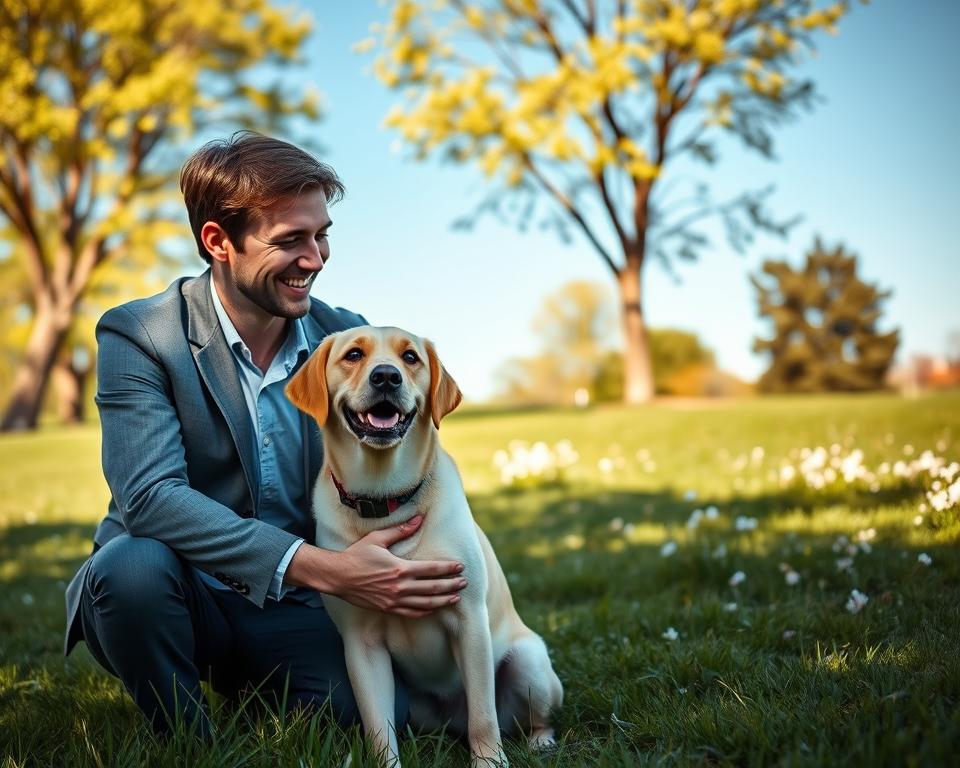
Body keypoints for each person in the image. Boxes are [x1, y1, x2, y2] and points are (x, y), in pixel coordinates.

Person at [63, 132, 467, 736]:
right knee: (131, 571)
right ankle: (185, 739)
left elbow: (401, 459)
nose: (316, 258)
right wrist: (322, 567)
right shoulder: (140, 335)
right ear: (218, 242)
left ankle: (263, 680)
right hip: (177, 592)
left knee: (377, 718)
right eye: (290, 241)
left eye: (322, 234)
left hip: (295, 606)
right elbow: (148, 499)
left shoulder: (346, 340)